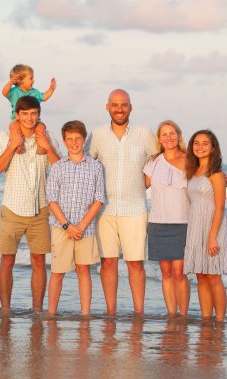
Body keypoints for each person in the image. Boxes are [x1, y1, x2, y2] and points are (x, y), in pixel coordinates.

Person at [86, 89, 157, 315]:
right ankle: (111, 313)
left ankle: (139, 314)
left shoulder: (144, 133)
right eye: (115, 105)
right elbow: (86, 165)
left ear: (130, 107)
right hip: (104, 210)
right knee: (108, 263)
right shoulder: (96, 135)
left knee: (135, 263)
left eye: (123, 105)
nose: (119, 109)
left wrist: (143, 183)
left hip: (135, 209)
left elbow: (160, 161)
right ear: (108, 107)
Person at [0, 96, 61, 314]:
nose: (29, 118)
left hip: (40, 209)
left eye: (33, 113)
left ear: (38, 114)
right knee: (7, 260)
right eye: (25, 114)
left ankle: (37, 310)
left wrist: (47, 147)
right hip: (12, 208)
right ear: (17, 115)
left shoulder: (46, 137)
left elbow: (60, 171)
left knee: (39, 262)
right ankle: (5, 309)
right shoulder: (4, 137)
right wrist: (12, 146)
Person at [46, 120, 105, 316]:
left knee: (83, 271)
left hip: (85, 228)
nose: (74, 142)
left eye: (78, 138)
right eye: (70, 139)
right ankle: (52, 313)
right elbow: (52, 200)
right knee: (57, 272)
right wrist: (67, 226)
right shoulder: (57, 167)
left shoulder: (95, 167)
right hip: (61, 227)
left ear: (83, 139)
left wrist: (80, 226)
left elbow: (98, 199)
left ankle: (85, 313)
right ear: (64, 141)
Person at [143, 120, 190, 317]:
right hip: (158, 223)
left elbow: (207, 179)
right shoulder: (152, 162)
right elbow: (139, 187)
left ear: (178, 135)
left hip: (183, 223)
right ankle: (172, 315)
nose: (169, 137)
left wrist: (223, 178)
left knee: (180, 273)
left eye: (172, 133)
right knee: (166, 273)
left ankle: (184, 315)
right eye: (164, 134)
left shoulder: (190, 160)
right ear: (159, 139)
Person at [183, 129, 227, 321]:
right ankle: (206, 319)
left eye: (205, 143)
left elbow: (220, 207)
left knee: (213, 276)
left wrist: (212, 237)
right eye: (196, 143)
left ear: (213, 148)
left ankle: (219, 320)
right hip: (195, 226)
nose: (200, 147)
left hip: (212, 227)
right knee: (201, 275)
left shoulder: (216, 174)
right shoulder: (192, 172)